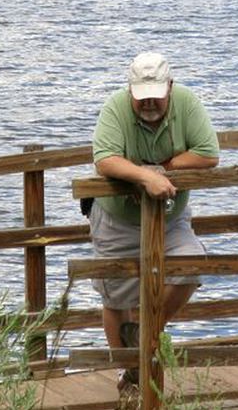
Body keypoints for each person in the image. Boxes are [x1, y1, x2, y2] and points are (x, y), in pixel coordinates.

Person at [90, 52, 220, 389]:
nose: (149, 102)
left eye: (156, 95)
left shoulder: (188, 103)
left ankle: (146, 332)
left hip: (170, 219)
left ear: (170, 88)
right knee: (115, 296)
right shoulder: (115, 107)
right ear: (130, 90)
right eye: (142, 96)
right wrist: (143, 177)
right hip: (117, 217)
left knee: (191, 264)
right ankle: (127, 373)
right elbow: (104, 159)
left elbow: (208, 152)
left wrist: (167, 168)